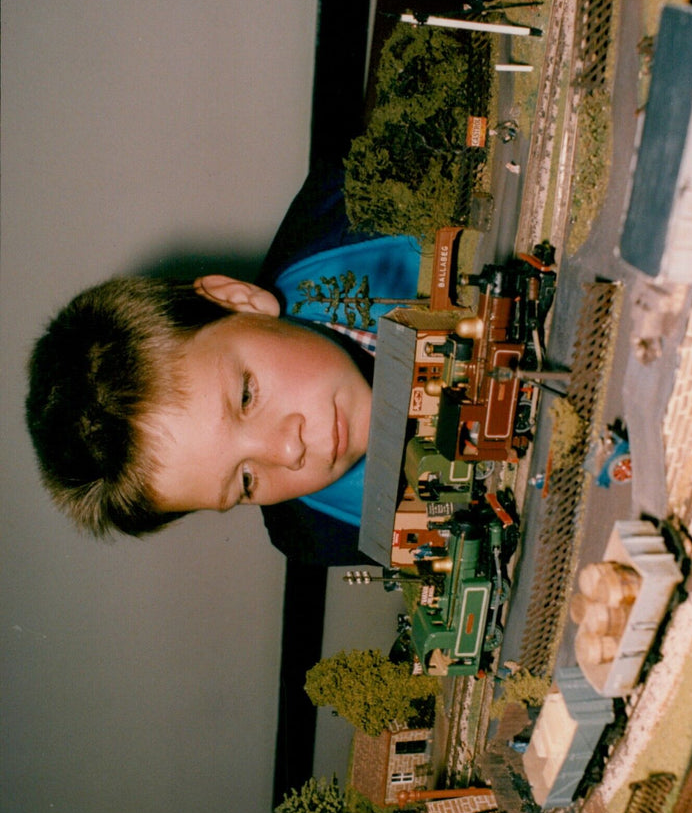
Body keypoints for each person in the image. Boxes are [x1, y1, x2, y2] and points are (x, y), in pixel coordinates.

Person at [26, 162, 422, 564]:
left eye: (247, 396)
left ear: (236, 301)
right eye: (246, 482)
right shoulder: (315, 534)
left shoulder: (362, 190)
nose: (288, 451)